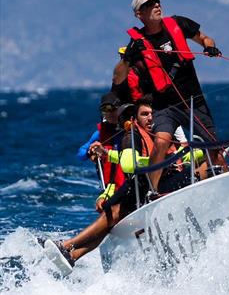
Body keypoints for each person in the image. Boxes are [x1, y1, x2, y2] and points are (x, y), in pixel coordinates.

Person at [41, 97, 201, 273]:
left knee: (113, 215)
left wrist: (182, 156)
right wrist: (163, 160)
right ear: (135, 118)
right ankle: (68, 247)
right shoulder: (131, 136)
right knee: (112, 213)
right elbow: (128, 164)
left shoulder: (165, 135)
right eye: (144, 114)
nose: (150, 118)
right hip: (140, 185)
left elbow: (193, 153)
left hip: (154, 186)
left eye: (153, 114)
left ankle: (72, 254)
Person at [112, 0, 226, 192]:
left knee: (213, 144)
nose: (157, 5)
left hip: (193, 100)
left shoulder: (178, 24)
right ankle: (153, 192)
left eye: (157, 1)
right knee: (161, 141)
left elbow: (206, 39)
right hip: (165, 106)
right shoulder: (136, 44)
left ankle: (227, 184)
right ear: (139, 14)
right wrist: (128, 57)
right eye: (150, 4)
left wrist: (210, 48)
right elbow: (118, 77)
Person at [76, 92, 126, 190]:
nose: (109, 113)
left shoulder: (130, 130)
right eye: (105, 110)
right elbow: (80, 154)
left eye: (113, 109)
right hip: (110, 186)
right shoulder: (100, 133)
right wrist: (91, 152)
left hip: (129, 181)